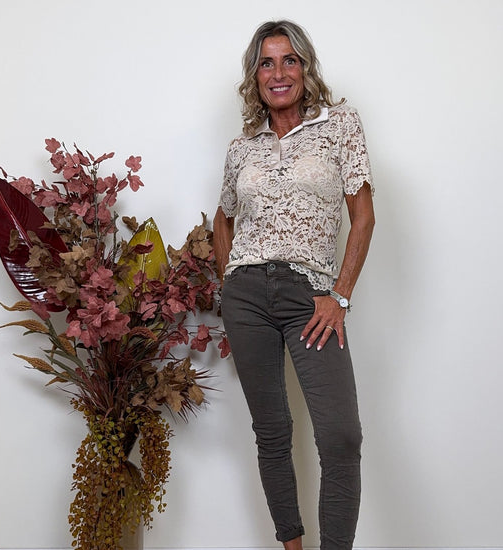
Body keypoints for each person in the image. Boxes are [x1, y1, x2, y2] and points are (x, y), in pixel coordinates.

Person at [213, 20, 375, 550]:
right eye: (267, 62)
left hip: (311, 295)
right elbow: (222, 219)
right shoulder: (242, 148)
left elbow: (364, 216)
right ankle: (291, 544)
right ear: (254, 75)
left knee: (340, 436)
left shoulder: (339, 124)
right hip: (246, 298)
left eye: (290, 60)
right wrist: (228, 285)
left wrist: (340, 296)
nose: (278, 72)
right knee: (272, 432)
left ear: (305, 68)